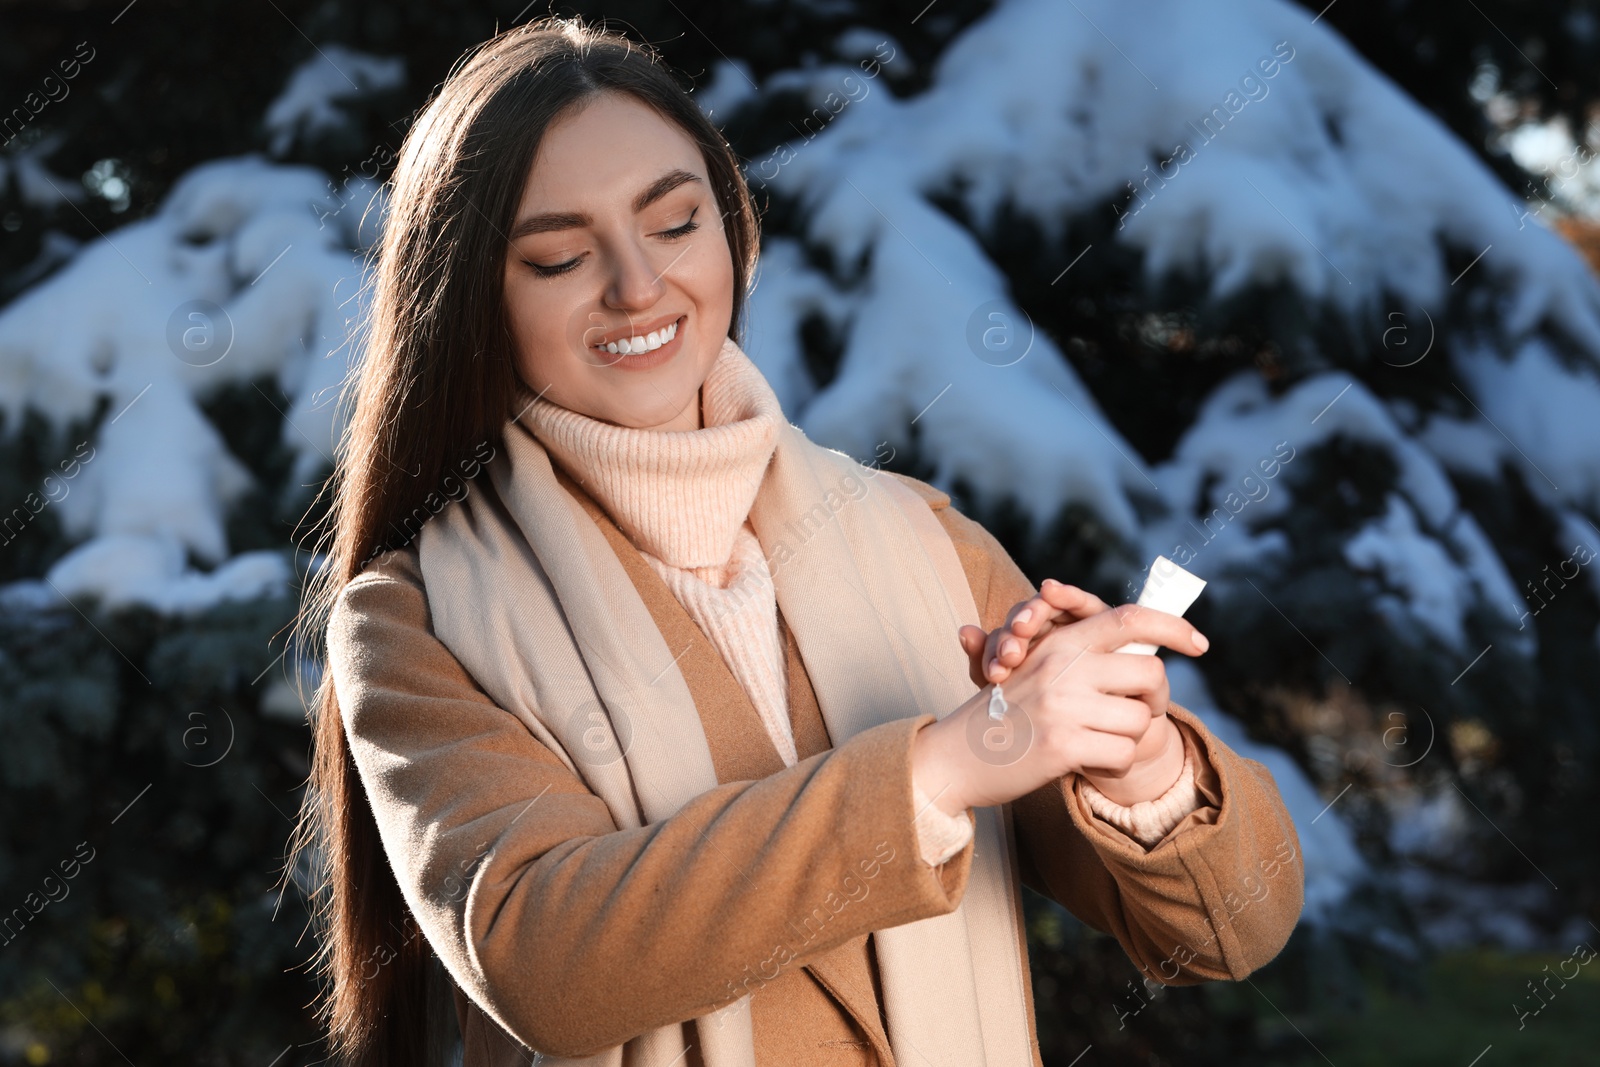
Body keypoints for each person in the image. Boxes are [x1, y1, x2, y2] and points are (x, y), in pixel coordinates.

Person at [290, 16, 1304, 1067]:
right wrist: (949, 760)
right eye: (558, 256)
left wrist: (1136, 766)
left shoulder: (919, 537)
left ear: (731, 228)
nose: (639, 287)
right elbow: (543, 958)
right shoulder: (417, 617)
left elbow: (1231, 926)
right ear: (471, 299)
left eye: (676, 224)